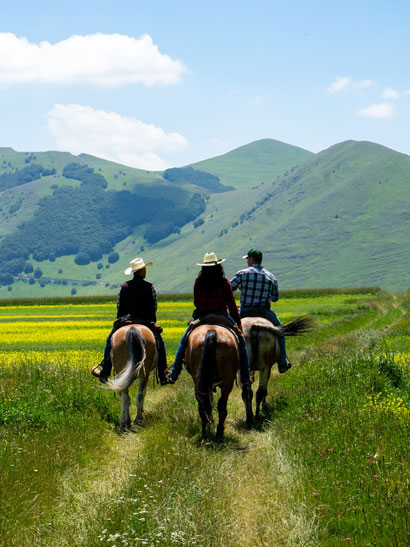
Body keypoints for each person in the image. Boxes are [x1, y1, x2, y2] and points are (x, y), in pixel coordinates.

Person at [166, 252, 251, 386]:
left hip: (202, 316)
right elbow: (231, 304)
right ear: (218, 267)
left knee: (183, 342)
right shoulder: (224, 282)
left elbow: (196, 302)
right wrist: (238, 325)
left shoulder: (198, 282)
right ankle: (245, 377)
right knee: (241, 342)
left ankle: (174, 374)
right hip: (222, 316)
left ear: (203, 267)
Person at [91, 257, 167, 384]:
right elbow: (154, 307)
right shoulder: (150, 287)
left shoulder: (124, 286)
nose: (145, 271)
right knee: (160, 342)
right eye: (144, 269)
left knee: (110, 340)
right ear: (141, 271)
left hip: (127, 320)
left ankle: (105, 372)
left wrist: (121, 320)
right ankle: (163, 373)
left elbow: (119, 306)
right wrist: (150, 321)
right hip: (145, 321)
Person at [230, 248, 291, 373]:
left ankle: (227, 360)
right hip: (264, 312)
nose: (247, 261)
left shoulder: (242, 273)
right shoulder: (270, 276)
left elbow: (230, 289)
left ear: (251, 259)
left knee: (228, 329)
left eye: (248, 259)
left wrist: (243, 289)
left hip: (245, 311)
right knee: (280, 331)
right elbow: (275, 298)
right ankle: (283, 361)